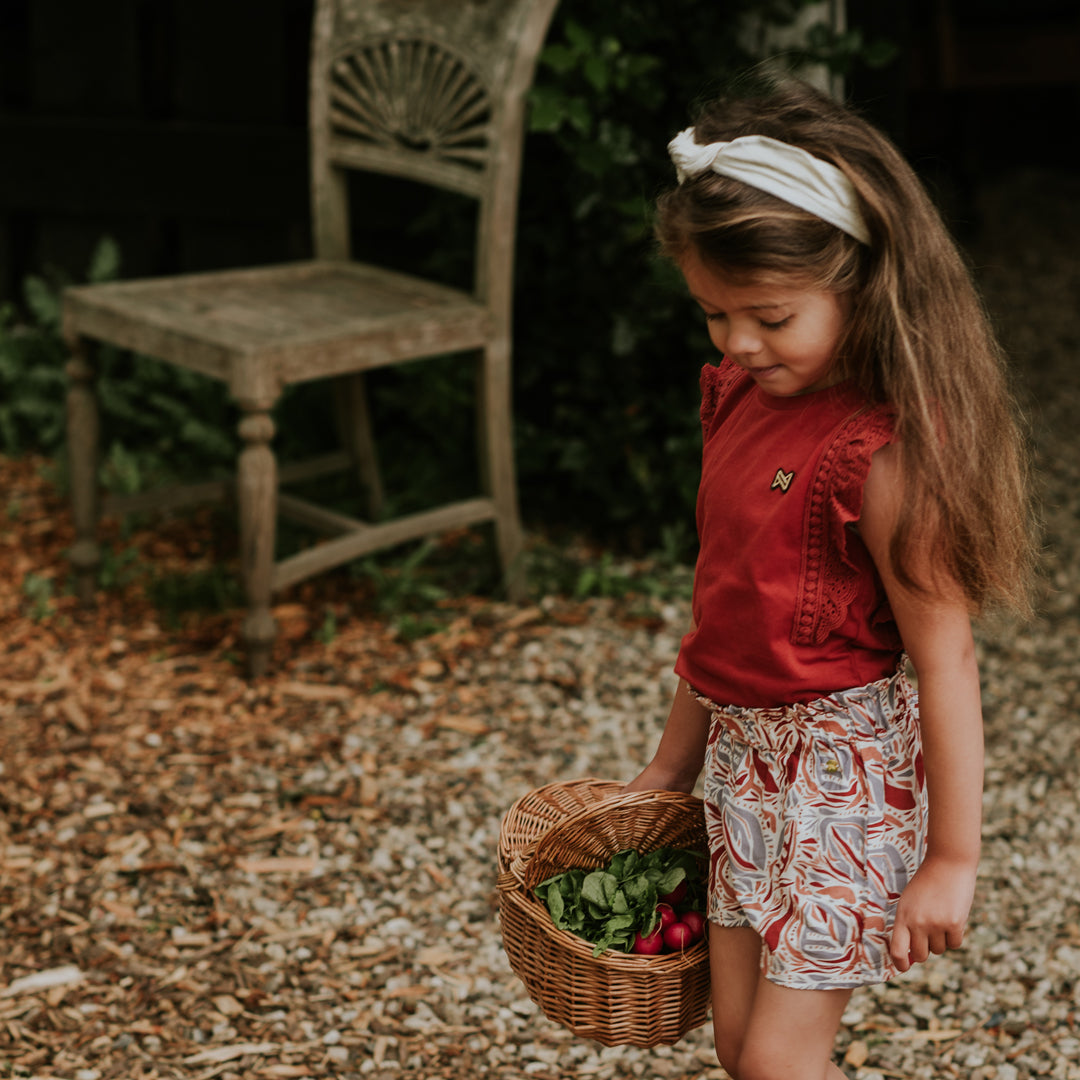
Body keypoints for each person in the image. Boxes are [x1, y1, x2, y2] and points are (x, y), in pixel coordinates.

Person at [624, 77, 1037, 1080]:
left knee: (776, 1063)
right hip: (740, 773)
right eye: (715, 316)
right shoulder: (735, 397)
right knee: (734, 1048)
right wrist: (666, 772)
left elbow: (946, 664)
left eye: (767, 315)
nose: (736, 342)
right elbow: (720, 619)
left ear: (859, 287)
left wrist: (952, 858)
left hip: (840, 787)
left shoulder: (885, 456)